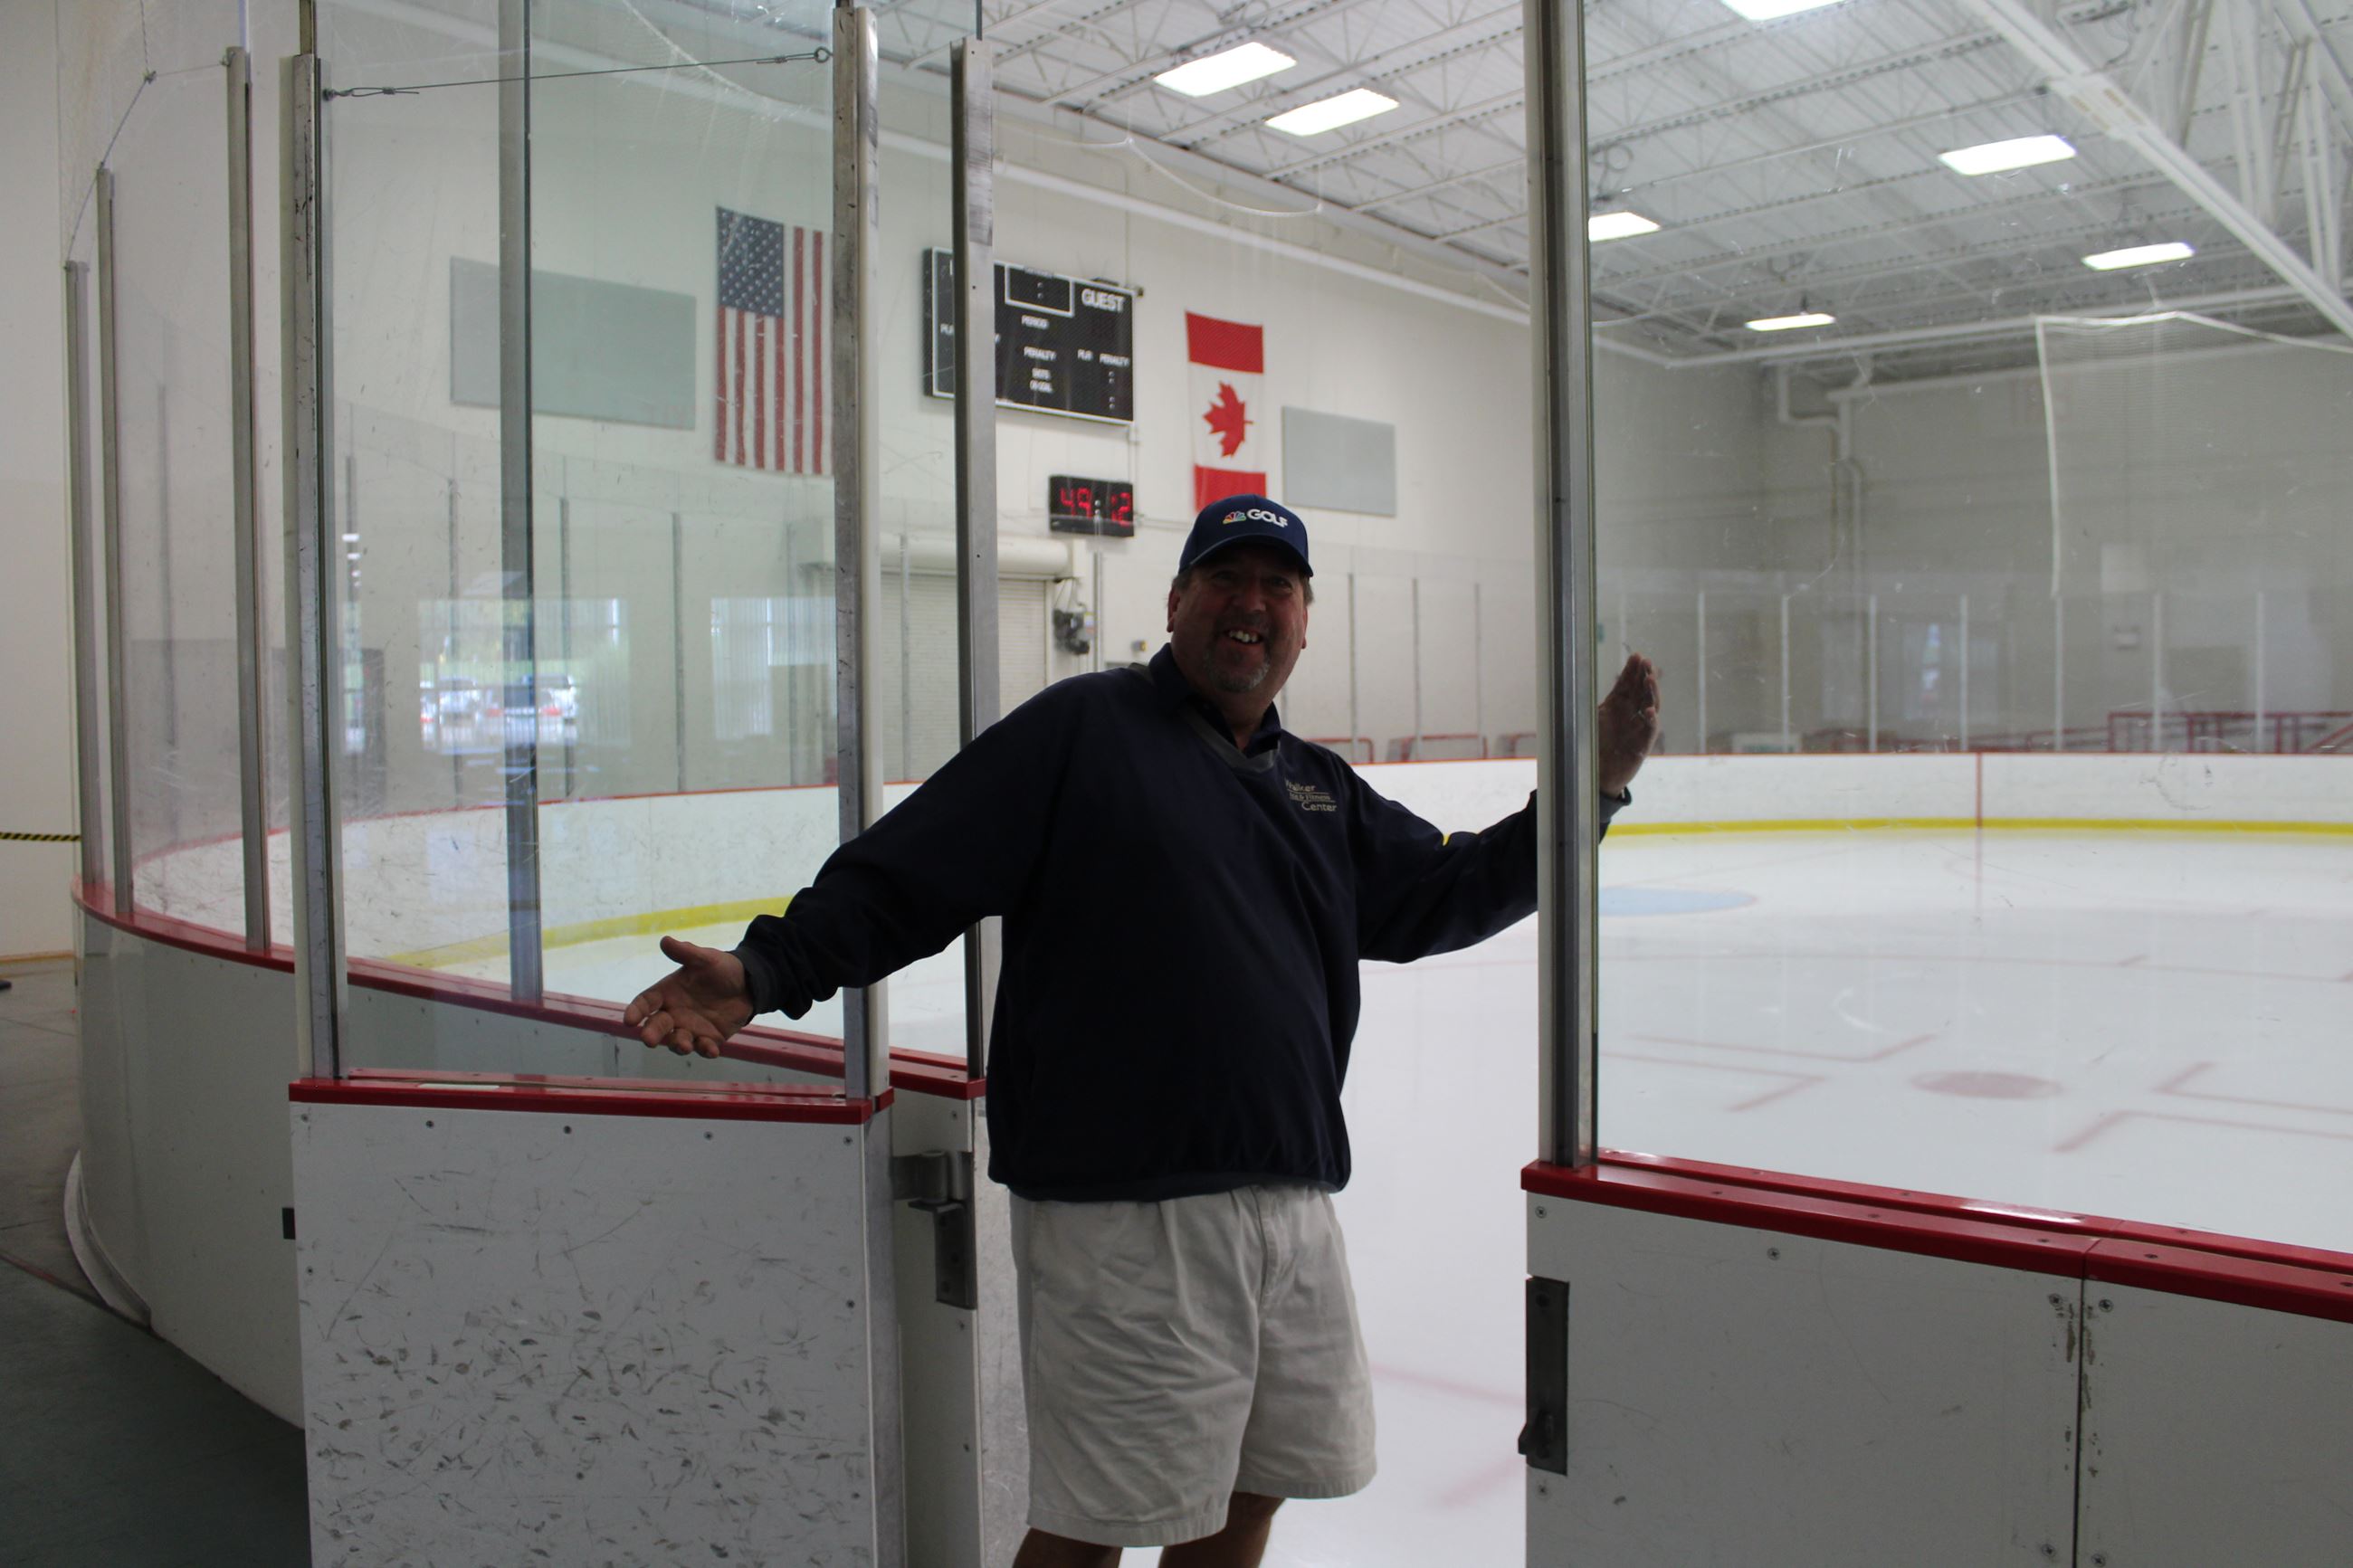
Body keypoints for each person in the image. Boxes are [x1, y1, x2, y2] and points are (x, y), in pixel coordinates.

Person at [624, 494, 1660, 1568]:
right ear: (1176, 601)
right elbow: (908, 875)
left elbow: (1444, 890)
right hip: (1122, 1215)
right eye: (1225, 579)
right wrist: (764, 968)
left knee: (1258, 1484)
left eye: (1277, 585)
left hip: (1289, 1198)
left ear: (1304, 618)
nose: (1250, 604)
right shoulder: (1082, 730)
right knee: (1099, 1521)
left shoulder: (1315, 785)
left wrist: (1592, 788)